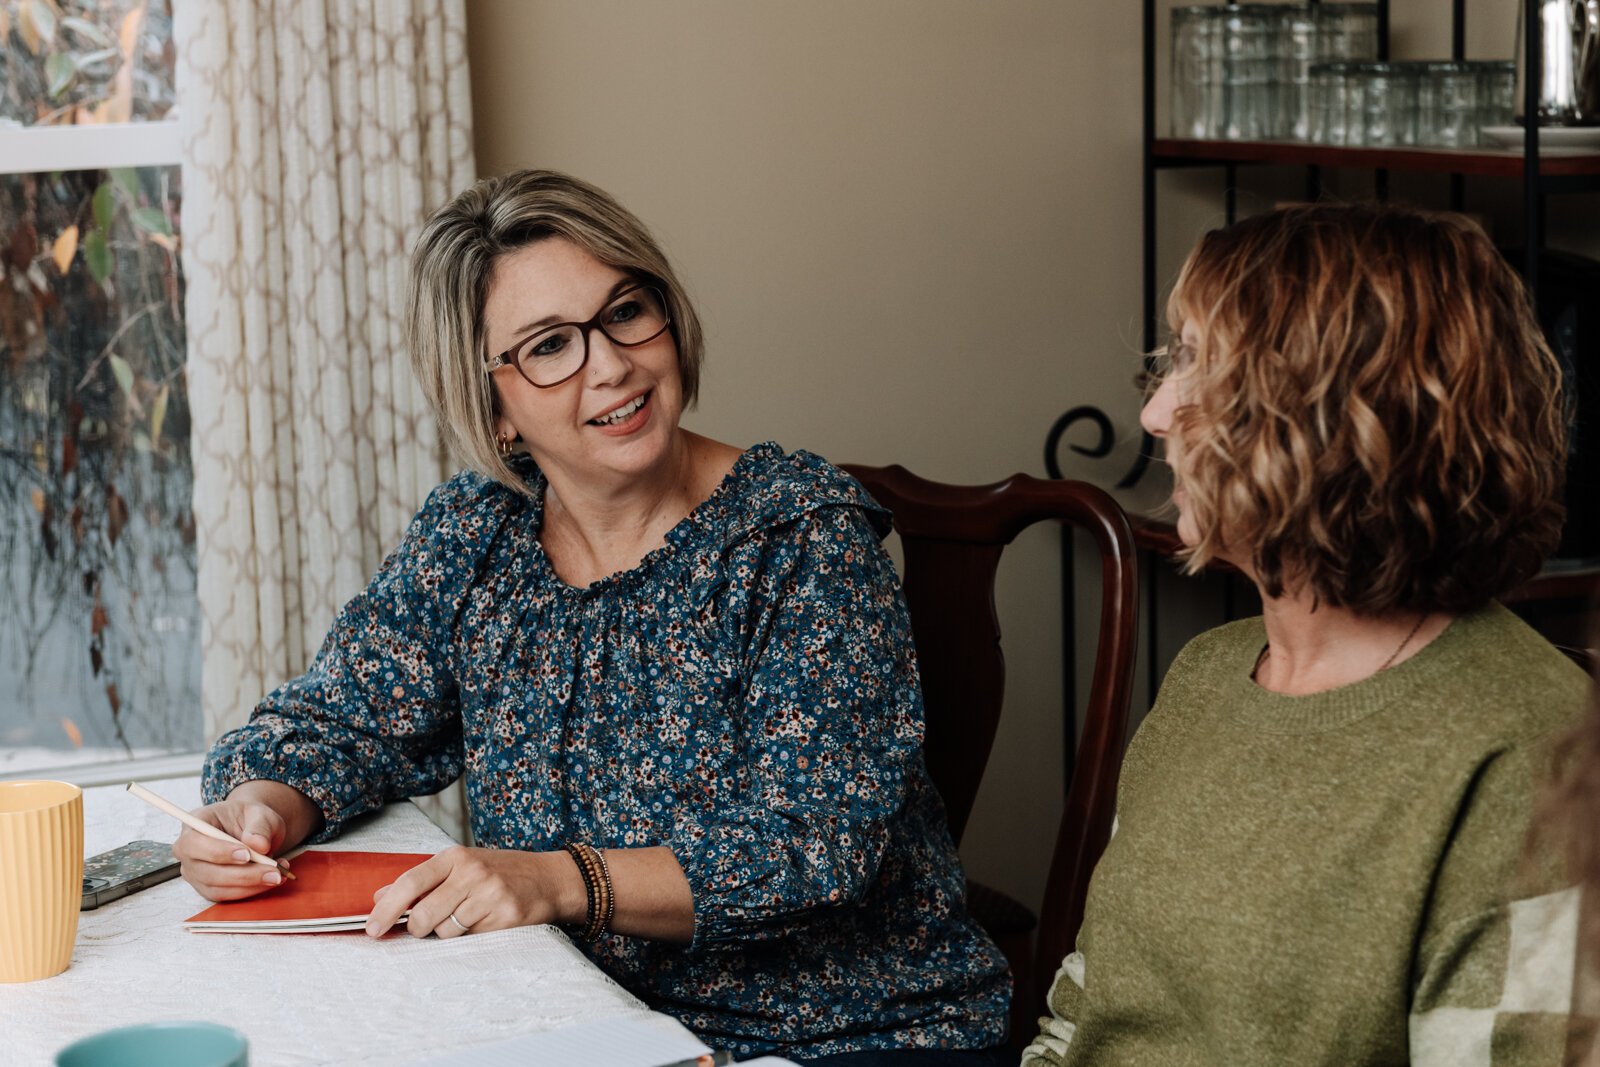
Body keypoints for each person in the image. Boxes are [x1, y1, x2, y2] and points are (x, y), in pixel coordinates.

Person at [172, 169, 1010, 1064]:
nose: (610, 364)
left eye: (624, 312)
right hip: (582, 1021)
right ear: (494, 408)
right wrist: (257, 812)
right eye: (548, 346)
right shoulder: (477, 537)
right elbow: (336, 722)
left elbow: (815, 844)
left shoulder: (799, 538)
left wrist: (557, 881)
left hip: (852, 1037)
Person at [1024, 203, 1590, 1066]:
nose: (1156, 415)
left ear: (1336, 425)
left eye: (1196, 368)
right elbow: (1083, 1015)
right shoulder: (1209, 673)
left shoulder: (1532, 748)